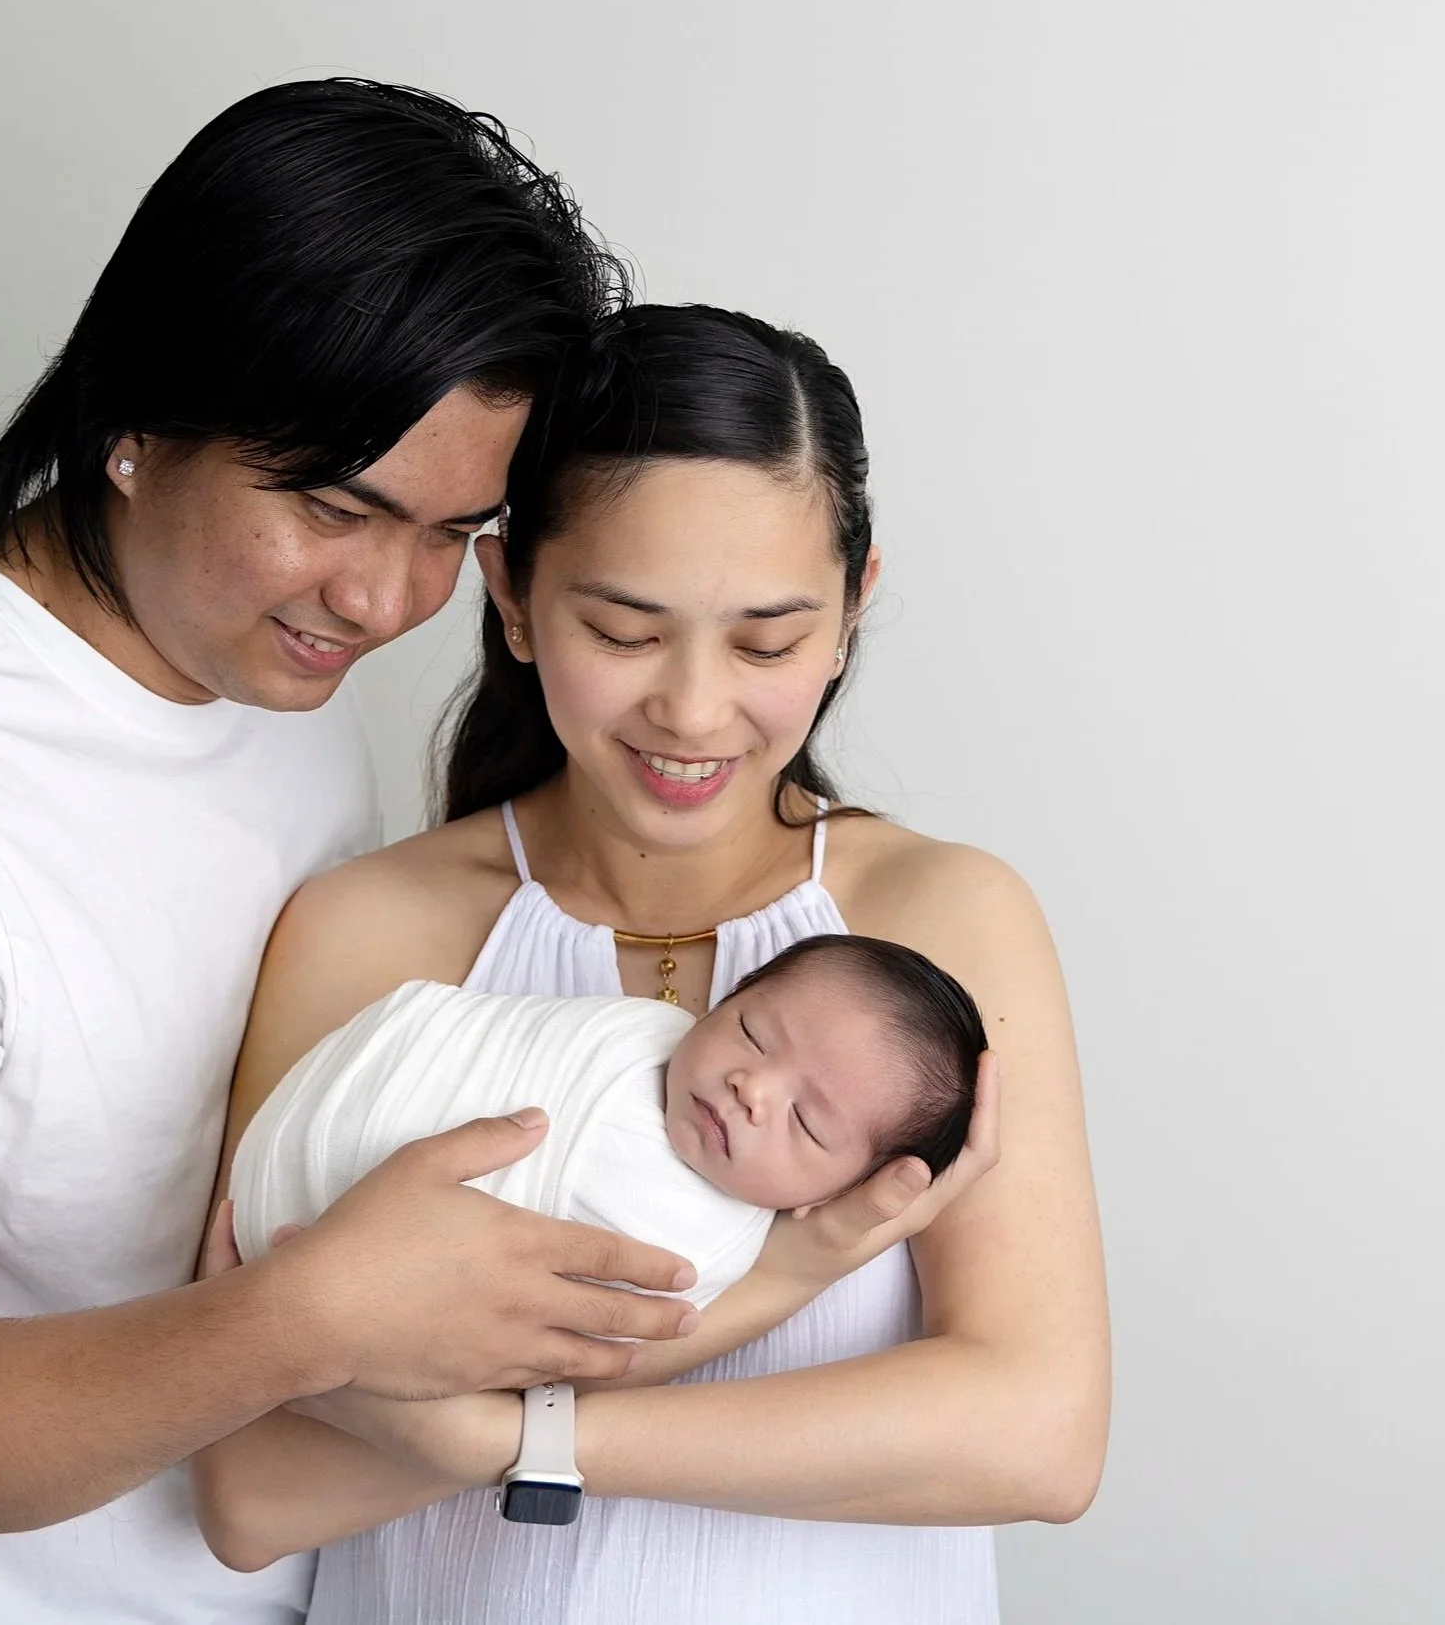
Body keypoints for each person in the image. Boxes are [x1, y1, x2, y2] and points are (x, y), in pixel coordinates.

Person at [0, 80, 728, 1625]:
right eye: (332, 506)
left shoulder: (267, 665)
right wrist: (310, 1316)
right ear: (133, 419)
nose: (384, 601)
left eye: (447, 531)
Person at [193, 304, 1109, 1624]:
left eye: (764, 640)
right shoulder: (371, 931)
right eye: (623, 631)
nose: (689, 707)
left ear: (851, 608)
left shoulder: (936, 919)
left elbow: (1034, 1431)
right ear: (509, 594)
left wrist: (511, 1441)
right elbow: (253, 1491)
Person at [229, 933, 986, 1309]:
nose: (752, 1086)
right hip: (319, 1122)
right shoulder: (634, 1031)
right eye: (753, 1032)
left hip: (315, 1279)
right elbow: (461, 1030)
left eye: (808, 1122)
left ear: (828, 1196)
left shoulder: (700, 1250)